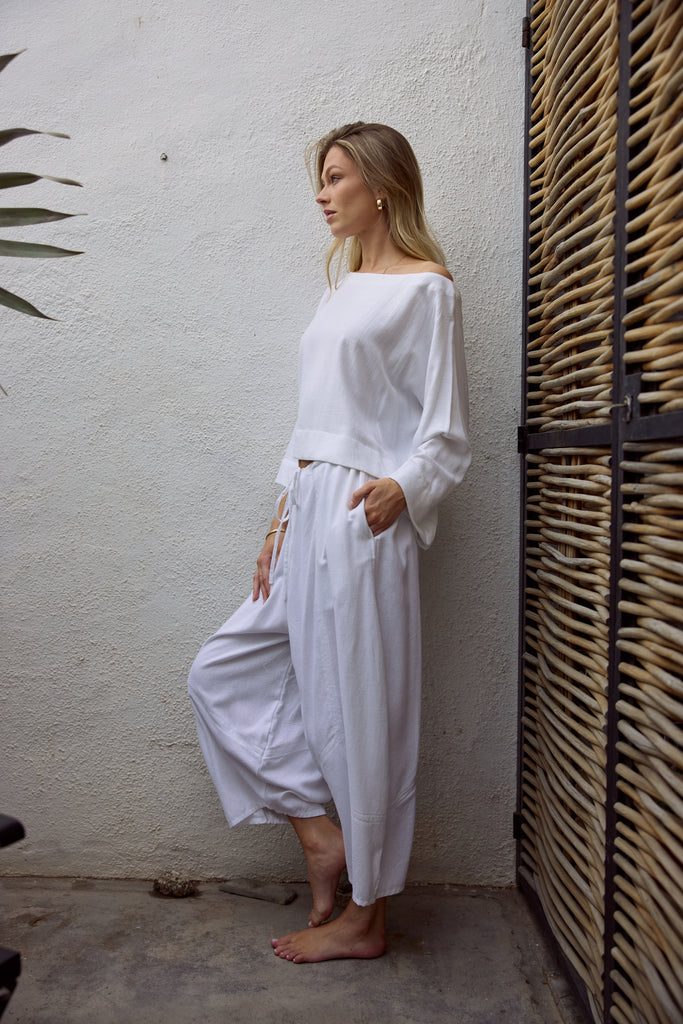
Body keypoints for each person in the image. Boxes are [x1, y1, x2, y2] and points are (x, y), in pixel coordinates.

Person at [188, 122, 471, 963]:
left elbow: (446, 432)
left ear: (380, 186)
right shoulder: (338, 290)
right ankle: (320, 835)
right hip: (307, 504)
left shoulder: (427, 291)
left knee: (360, 708)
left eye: (336, 176)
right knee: (219, 673)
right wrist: (278, 521)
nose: (322, 193)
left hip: (360, 513)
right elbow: (311, 419)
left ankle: (366, 918)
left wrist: (401, 489)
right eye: (322, 177)